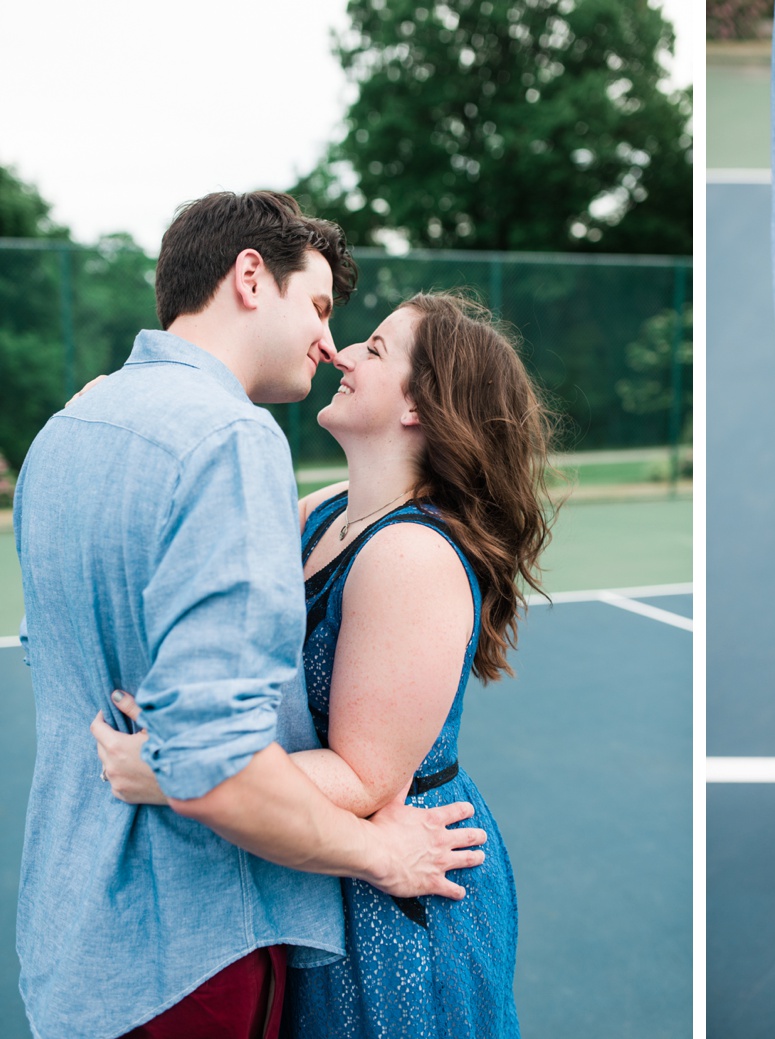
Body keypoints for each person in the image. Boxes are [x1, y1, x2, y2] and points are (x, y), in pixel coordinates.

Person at [14, 191, 487, 1039]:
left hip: (74, 925)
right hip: (194, 934)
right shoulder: (231, 439)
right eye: (318, 305)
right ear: (248, 277)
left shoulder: (64, 431)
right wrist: (384, 851)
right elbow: (214, 763)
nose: (330, 341)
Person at [96, 291, 553, 1037]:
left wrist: (179, 770)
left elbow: (365, 776)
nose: (341, 352)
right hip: (330, 865)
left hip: (398, 897)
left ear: (419, 405)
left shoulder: (410, 553)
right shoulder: (325, 511)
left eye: (374, 349)